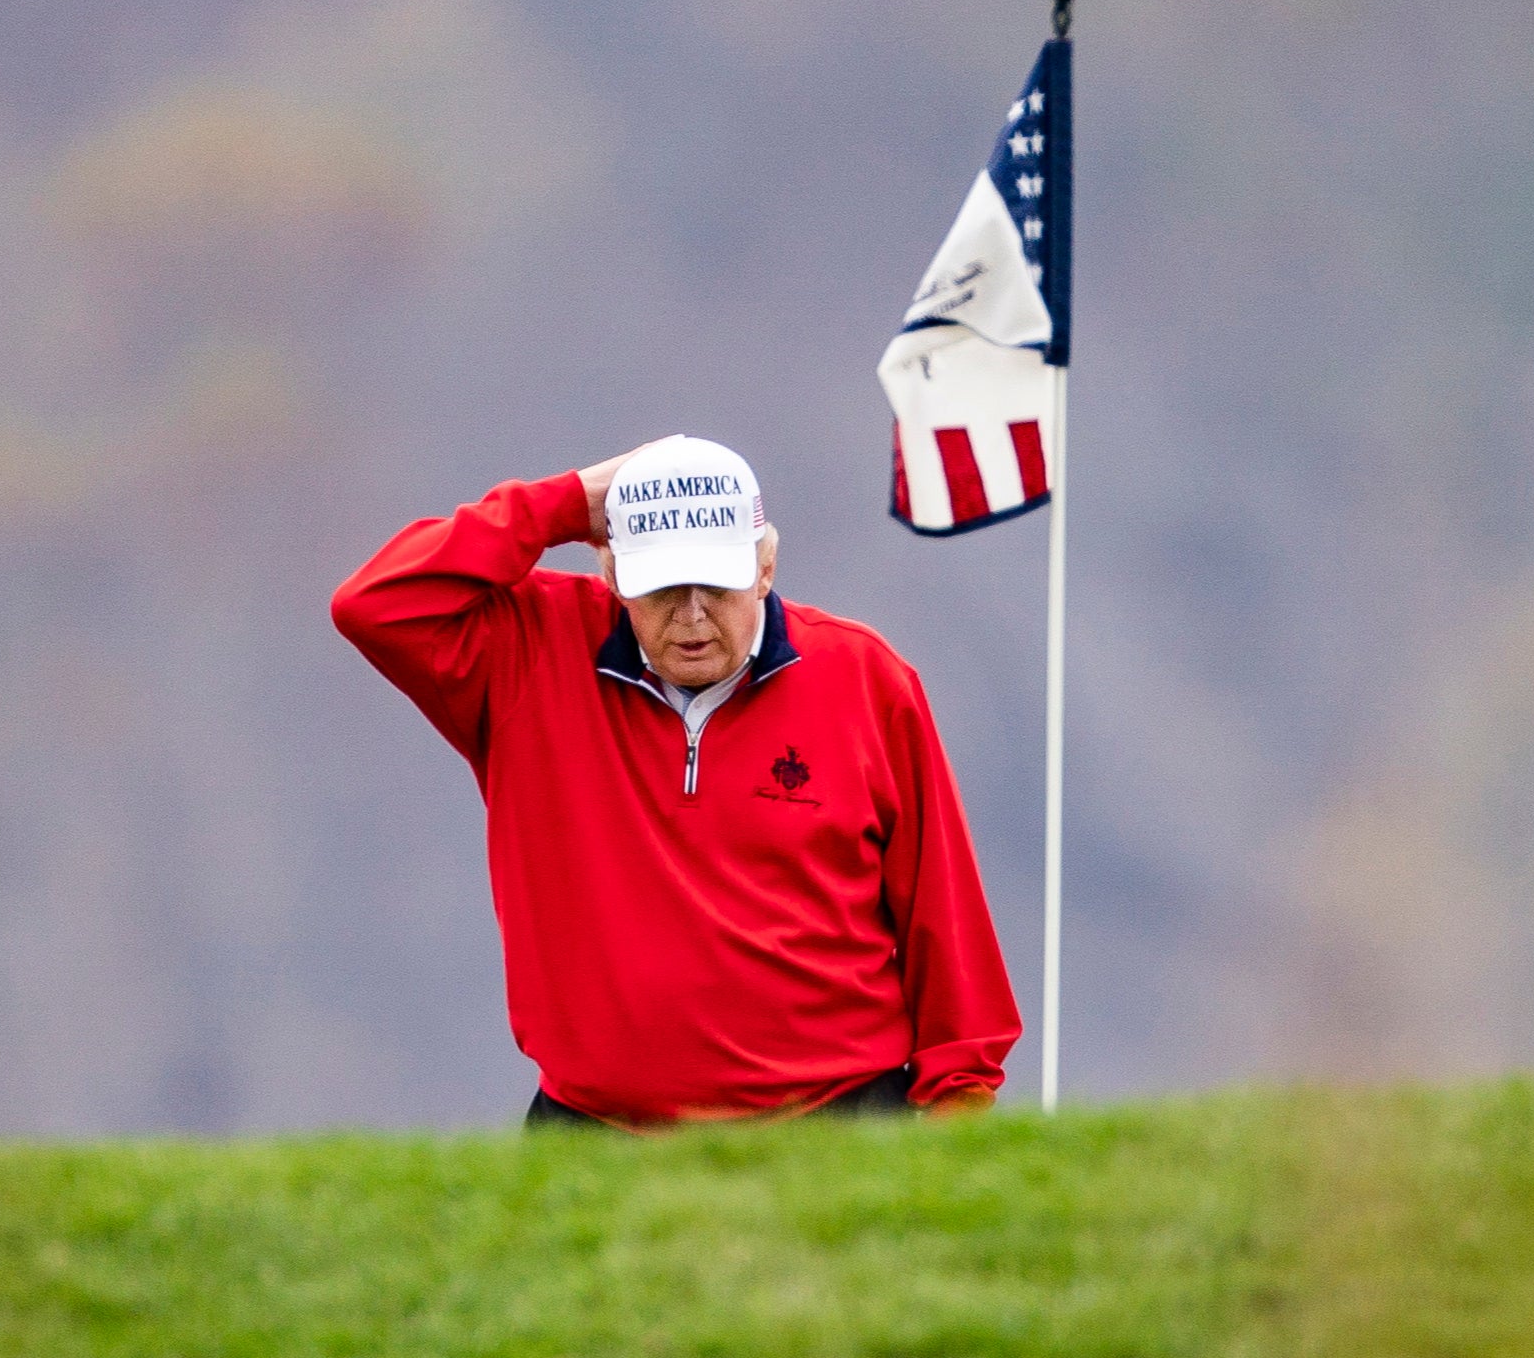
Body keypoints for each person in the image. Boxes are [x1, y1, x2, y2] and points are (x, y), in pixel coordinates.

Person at [331, 434, 1022, 1127]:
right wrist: (561, 505)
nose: (691, 615)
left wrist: (957, 1098)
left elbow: (942, 906)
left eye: (716, 585)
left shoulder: (866, 679)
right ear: (609, 569)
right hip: (595, 1128)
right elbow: (372, 602)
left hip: (838, 1117)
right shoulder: (527, 651)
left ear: (765, 567)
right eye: (661, 587)